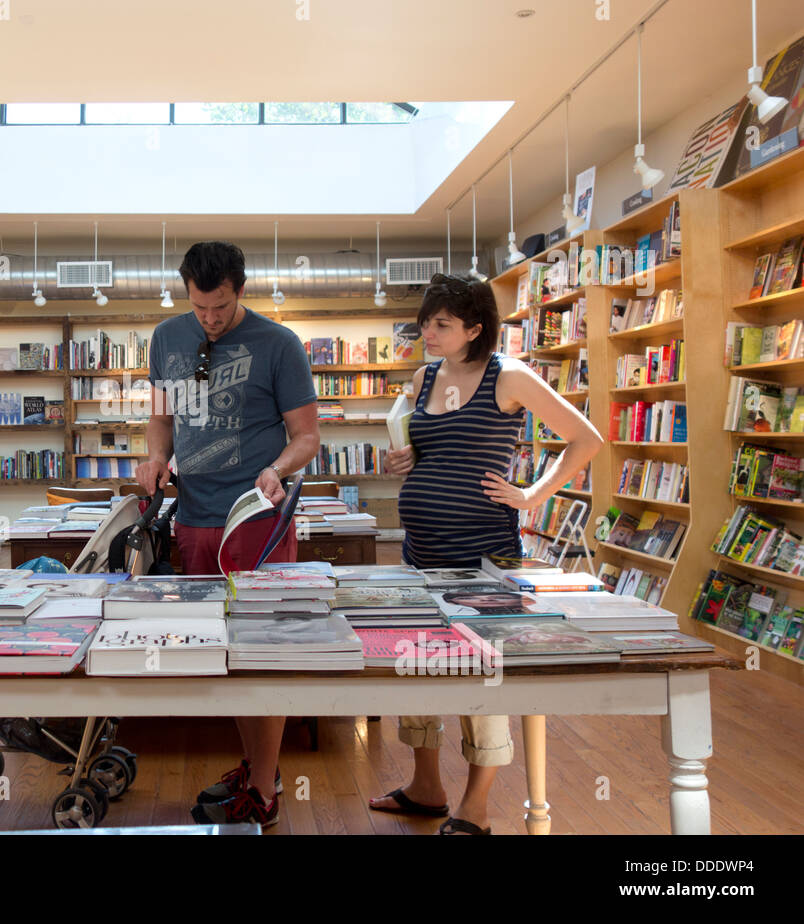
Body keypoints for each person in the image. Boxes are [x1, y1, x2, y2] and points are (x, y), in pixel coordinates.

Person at [368, 273, 602, 835]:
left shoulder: (510, 376)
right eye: (425, 321)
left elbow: (586, 437)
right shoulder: (424, 378)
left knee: (483, 675)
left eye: (441, 324)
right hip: (421, 550)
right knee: (417, 664)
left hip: (483, 556)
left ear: (475, 328)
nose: (427, 331)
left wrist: (531, 495)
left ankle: (476, 804)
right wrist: (399, 463)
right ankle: (426, 788)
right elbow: (418, 451)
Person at [135, 241, 319, 828]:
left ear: (241, 289)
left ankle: (262, 789)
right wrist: (155, 460)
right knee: (221, 650)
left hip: (255, 521)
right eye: (199, 307)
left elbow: (307, 436)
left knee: (259, 654)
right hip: (191, 517)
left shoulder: (279, 344)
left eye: (219, 307)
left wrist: (279, 469)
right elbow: (161, 421)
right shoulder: (166, 338)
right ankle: (261, 768)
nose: (209, 319)